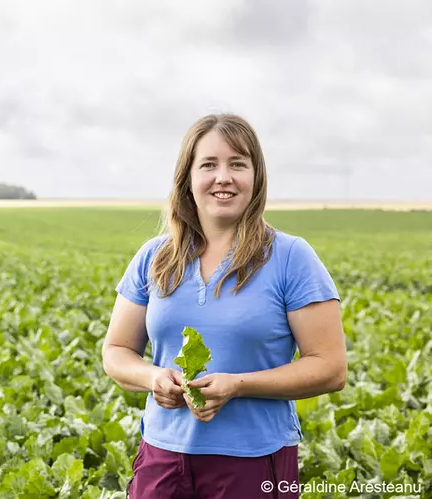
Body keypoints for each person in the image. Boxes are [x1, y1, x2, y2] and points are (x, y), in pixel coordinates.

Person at [102, 113, 347, 499]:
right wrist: (153, 379)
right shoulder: (154, 257)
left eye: (238, 164)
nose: (223, 177)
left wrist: (238, 385)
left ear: (256, 176)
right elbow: (116, 351)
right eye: (209, 165)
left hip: (255, 462)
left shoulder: (290, 257)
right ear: (188, 178)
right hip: (163, 458)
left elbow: (330, 368)